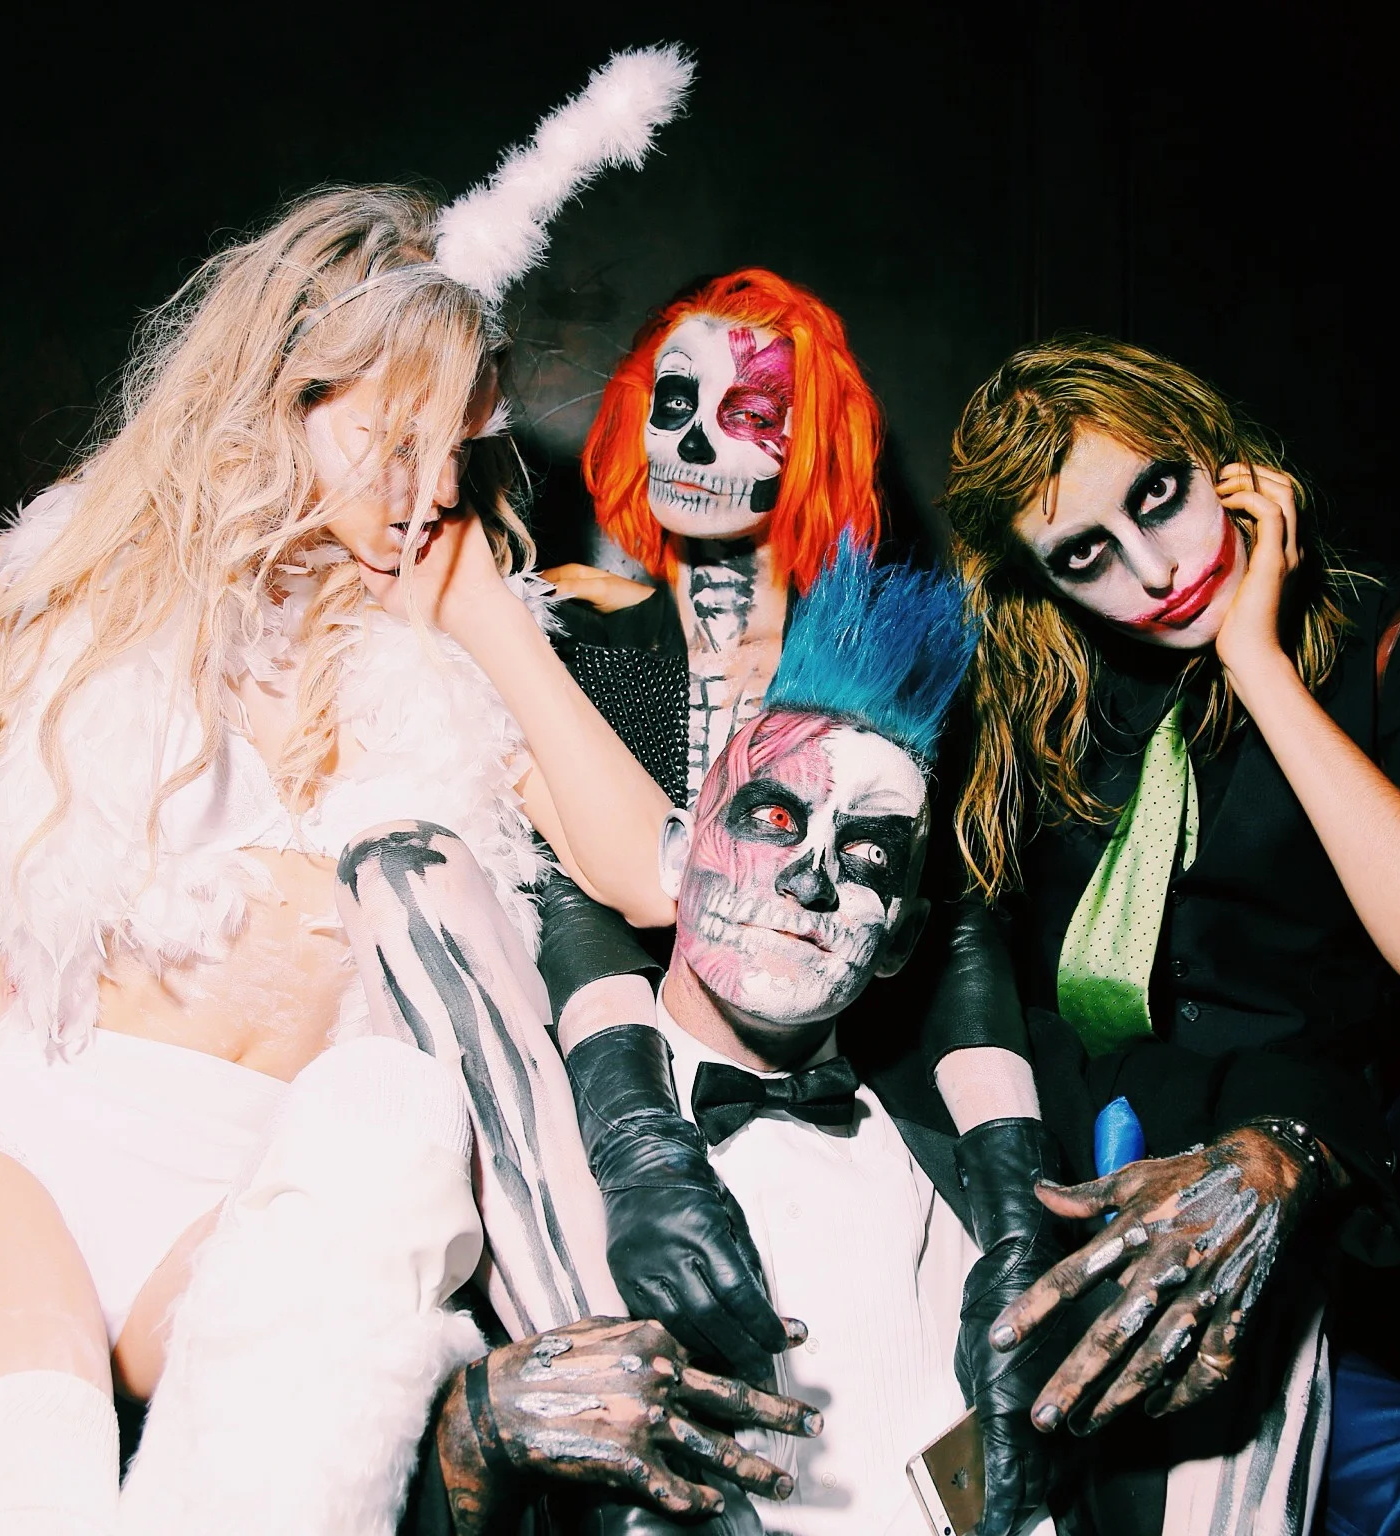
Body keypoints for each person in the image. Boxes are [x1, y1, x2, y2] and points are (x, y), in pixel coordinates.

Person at [0, 51, 699, 1534]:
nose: (432, 489)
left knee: (351, 1237)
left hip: (269, 1188)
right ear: (285, 396)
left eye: (452, 450)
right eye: (392, 443)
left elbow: (648, 879)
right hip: (31, 1143)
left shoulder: (447, 641)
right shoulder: (86, 569)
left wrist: (485, 617)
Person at [930, 336, 1400, 1536]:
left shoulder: (1399, 633)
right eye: (1086, 555)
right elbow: (983, 995)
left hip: (1354, 1181)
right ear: (1038, 581)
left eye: (1160, 495)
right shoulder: (1012, 698)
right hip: (1112, 1172)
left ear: (1220, 456)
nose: (1157, 570)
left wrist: (1257, 664)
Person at [527, 272, 1061, 1533]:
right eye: (674, 403)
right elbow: (569, 892)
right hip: (641, 1079)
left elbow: (960, 928)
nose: (695, 442)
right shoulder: (601, 654)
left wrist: (1012, 1214)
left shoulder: (888, 657)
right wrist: (639, 1144)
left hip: (865, 1097)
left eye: (750, 414)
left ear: (812, 436)